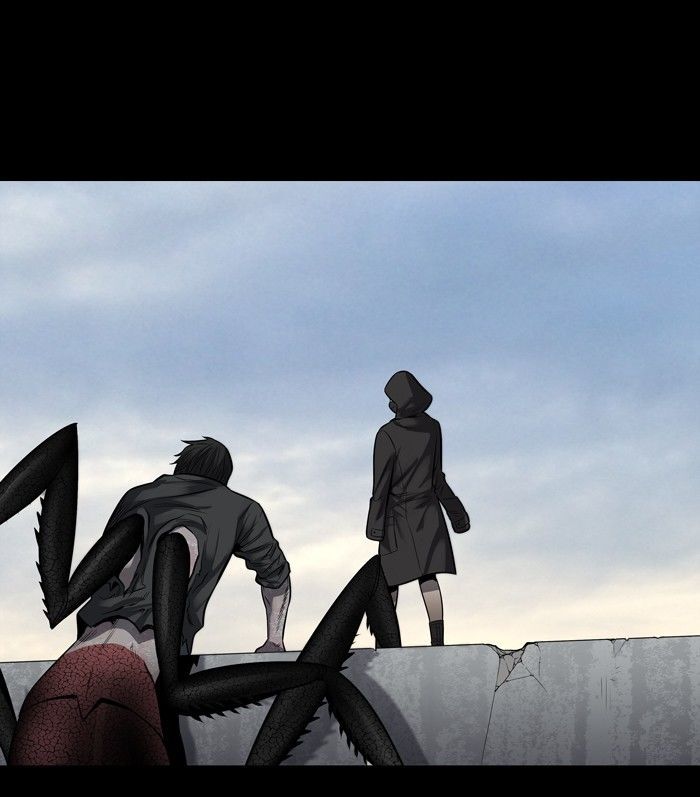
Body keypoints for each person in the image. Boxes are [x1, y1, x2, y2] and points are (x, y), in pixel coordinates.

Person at [8, 435, 291, 765]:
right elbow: (276, 578)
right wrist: (274, 641)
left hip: (70, 667)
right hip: (140, 676)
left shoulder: (137, 495)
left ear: (180, 467)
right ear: (224, 476)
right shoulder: (240, 508)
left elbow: (106, 565)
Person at [366, 371, 470, 646]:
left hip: (396, 518)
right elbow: (438, 477)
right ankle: (438, 642)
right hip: (427, 514)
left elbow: (381, 485)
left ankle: (386, 644)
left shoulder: (387, 434)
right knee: (428, 577)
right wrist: (457, 513)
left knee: (389, 582)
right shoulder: (432, 428)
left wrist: (374, 525)